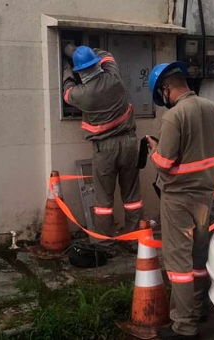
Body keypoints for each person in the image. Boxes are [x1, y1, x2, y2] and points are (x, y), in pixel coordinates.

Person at [146, 62, 214, 339]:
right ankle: (201, 308)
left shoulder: (174, 117)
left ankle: (183, 326)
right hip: (206, 195)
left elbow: (164, 163)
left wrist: (155, 150)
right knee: (198, 257)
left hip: (177, 198)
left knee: (179, 263)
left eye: (163, 95)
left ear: (167, 88)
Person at [62, 45, 143, 252]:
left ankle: (106, 245)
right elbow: (107, 56)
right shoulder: (114, 78)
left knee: (103, 201)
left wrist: (66, 64)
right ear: (96, 64)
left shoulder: (82, 94)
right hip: (129, 143)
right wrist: (79, 50)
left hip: (105, 149)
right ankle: (133, 240)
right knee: (132, 196)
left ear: (81, 71)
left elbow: (67, 92)